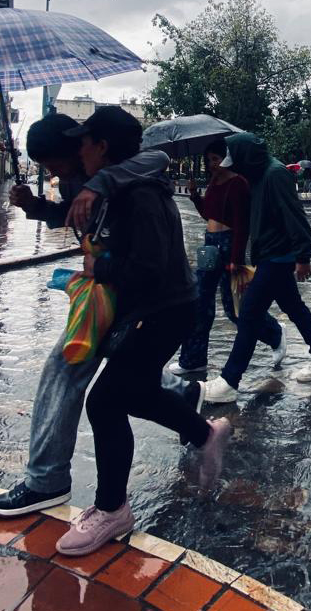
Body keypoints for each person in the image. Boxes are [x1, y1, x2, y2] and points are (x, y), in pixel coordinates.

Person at [0, 112, 203, 518]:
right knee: (119, 377)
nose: (55, 171)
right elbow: (75, 215)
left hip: (142, 298)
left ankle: (49, 482)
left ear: (90, 147)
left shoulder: (128, 183)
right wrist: (37, 207)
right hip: (118, 295)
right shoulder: (84, 177)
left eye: (56, 162)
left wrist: (97, 263)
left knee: (70, 370)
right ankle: (180, 394)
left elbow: (153, 164)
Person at [54, 107, 231, 556]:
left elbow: (150, 269)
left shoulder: (140, 195)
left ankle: (112, 509)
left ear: (102, 147)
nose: (79, 150)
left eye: (84, 141)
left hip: (165, 310)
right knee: (133, 394)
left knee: (106, 401)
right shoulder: (115, 189)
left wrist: (103, 266)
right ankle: (204, 433)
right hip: (150, 310)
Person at [202, 133, 311, 403]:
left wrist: (303, 255)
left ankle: (229, 380)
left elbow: (294, 214)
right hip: (268, 254)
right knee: (294, 308)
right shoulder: (255, 176)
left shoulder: (275, 175)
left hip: (279, 256)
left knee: (249, 314)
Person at [167, 138, 286, 375]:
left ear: (227, 158)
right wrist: (194, 196)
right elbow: (208, 215)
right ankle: (193, 359)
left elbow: (242, 225)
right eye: (209, 160)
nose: (212, 164)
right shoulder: (213, 182)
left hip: (230, 245)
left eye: (216, 159)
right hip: (209, 246)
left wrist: (236, 258)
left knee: (234, 307)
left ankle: (274, 333)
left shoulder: (238, 183)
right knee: (199, 302)